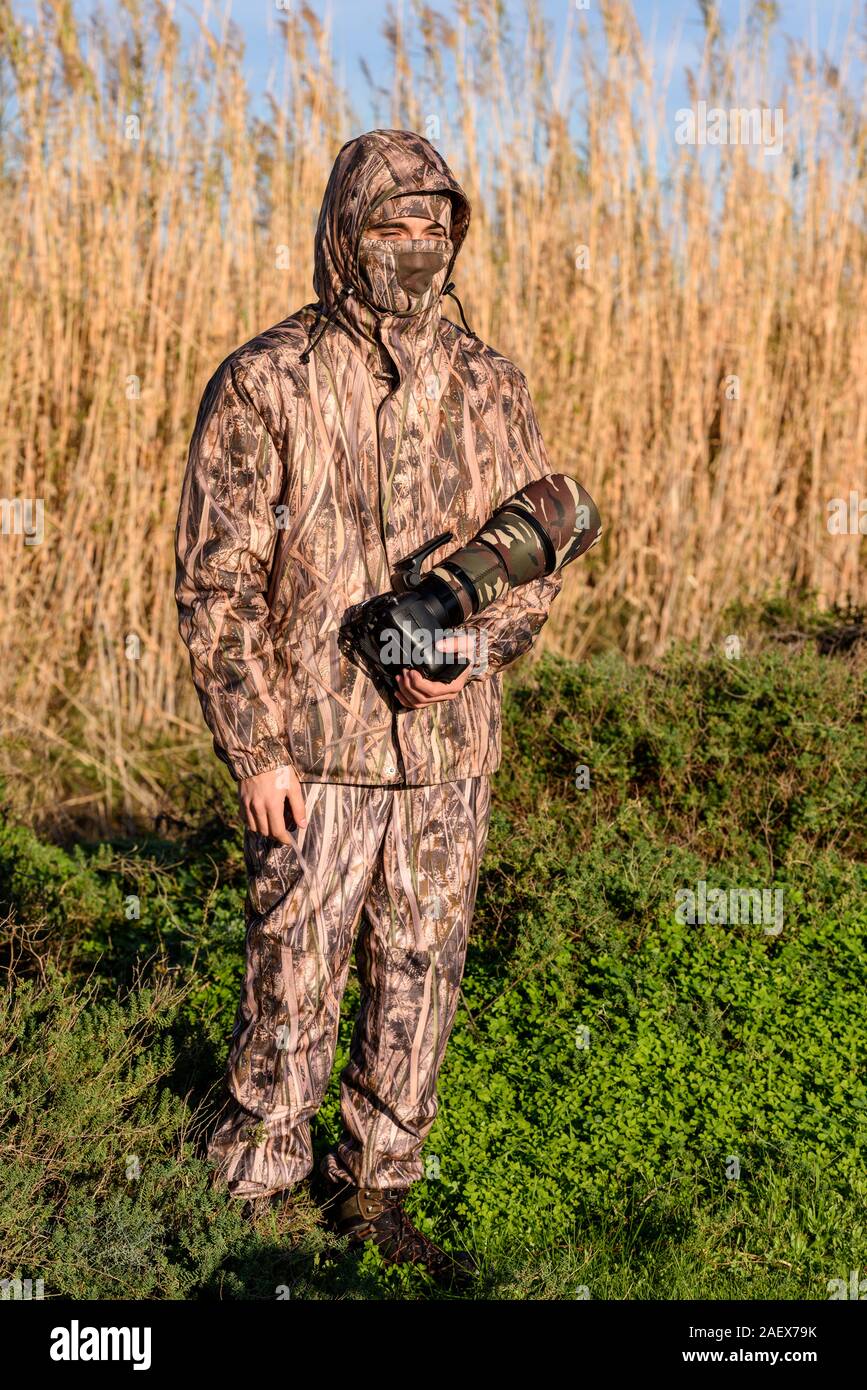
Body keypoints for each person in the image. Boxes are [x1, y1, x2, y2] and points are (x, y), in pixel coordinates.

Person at [175, 128, 592, 1286]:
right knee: (292, 968)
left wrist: (473, 643)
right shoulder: (268, 379)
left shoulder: (489, 379)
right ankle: (254, 1199)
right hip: (315, 750)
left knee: (424, 965)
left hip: (451, 752)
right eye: (388, 226)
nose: (413, 247)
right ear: (340, 234)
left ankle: (377, 1192)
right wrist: (256, 747)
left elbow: (537, 565)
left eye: (433, 226)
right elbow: (216, 583)